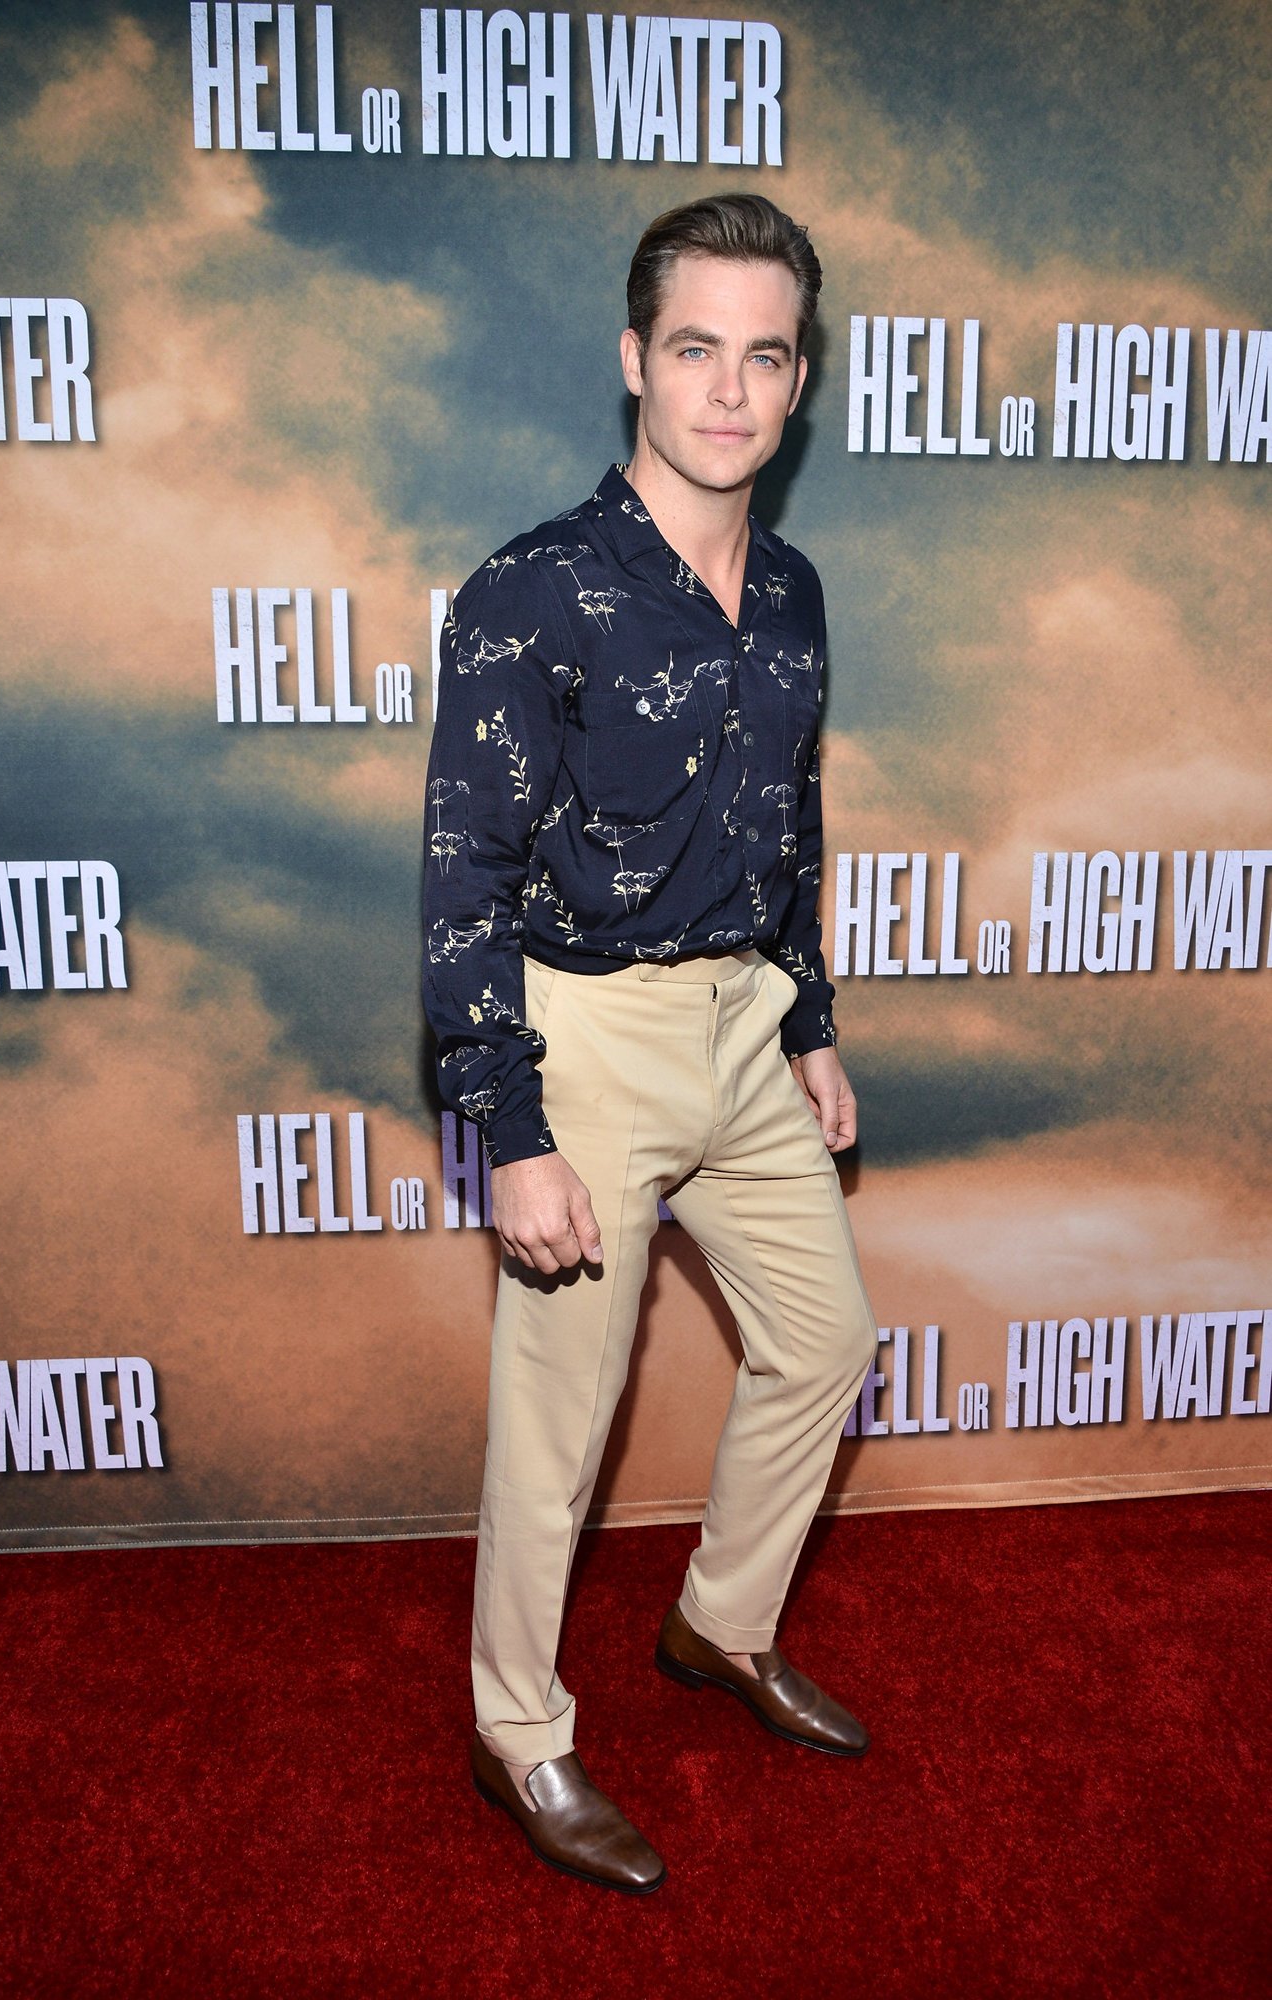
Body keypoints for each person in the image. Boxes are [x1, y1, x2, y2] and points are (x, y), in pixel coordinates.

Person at [422, 194, 878, 1894]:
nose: (729, 389)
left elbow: (789, 821)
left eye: (765, 354)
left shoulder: (797, 592)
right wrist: (511, 1125)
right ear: (634, 359)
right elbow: (463, 872)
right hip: (586, 1041)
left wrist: (806, 1021)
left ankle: (718, 1625)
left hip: (743, 1027)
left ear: (798, 380)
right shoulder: (531, 592)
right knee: (559, 1430)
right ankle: (516, 1732)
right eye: (696, 348)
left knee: (825, 1343)